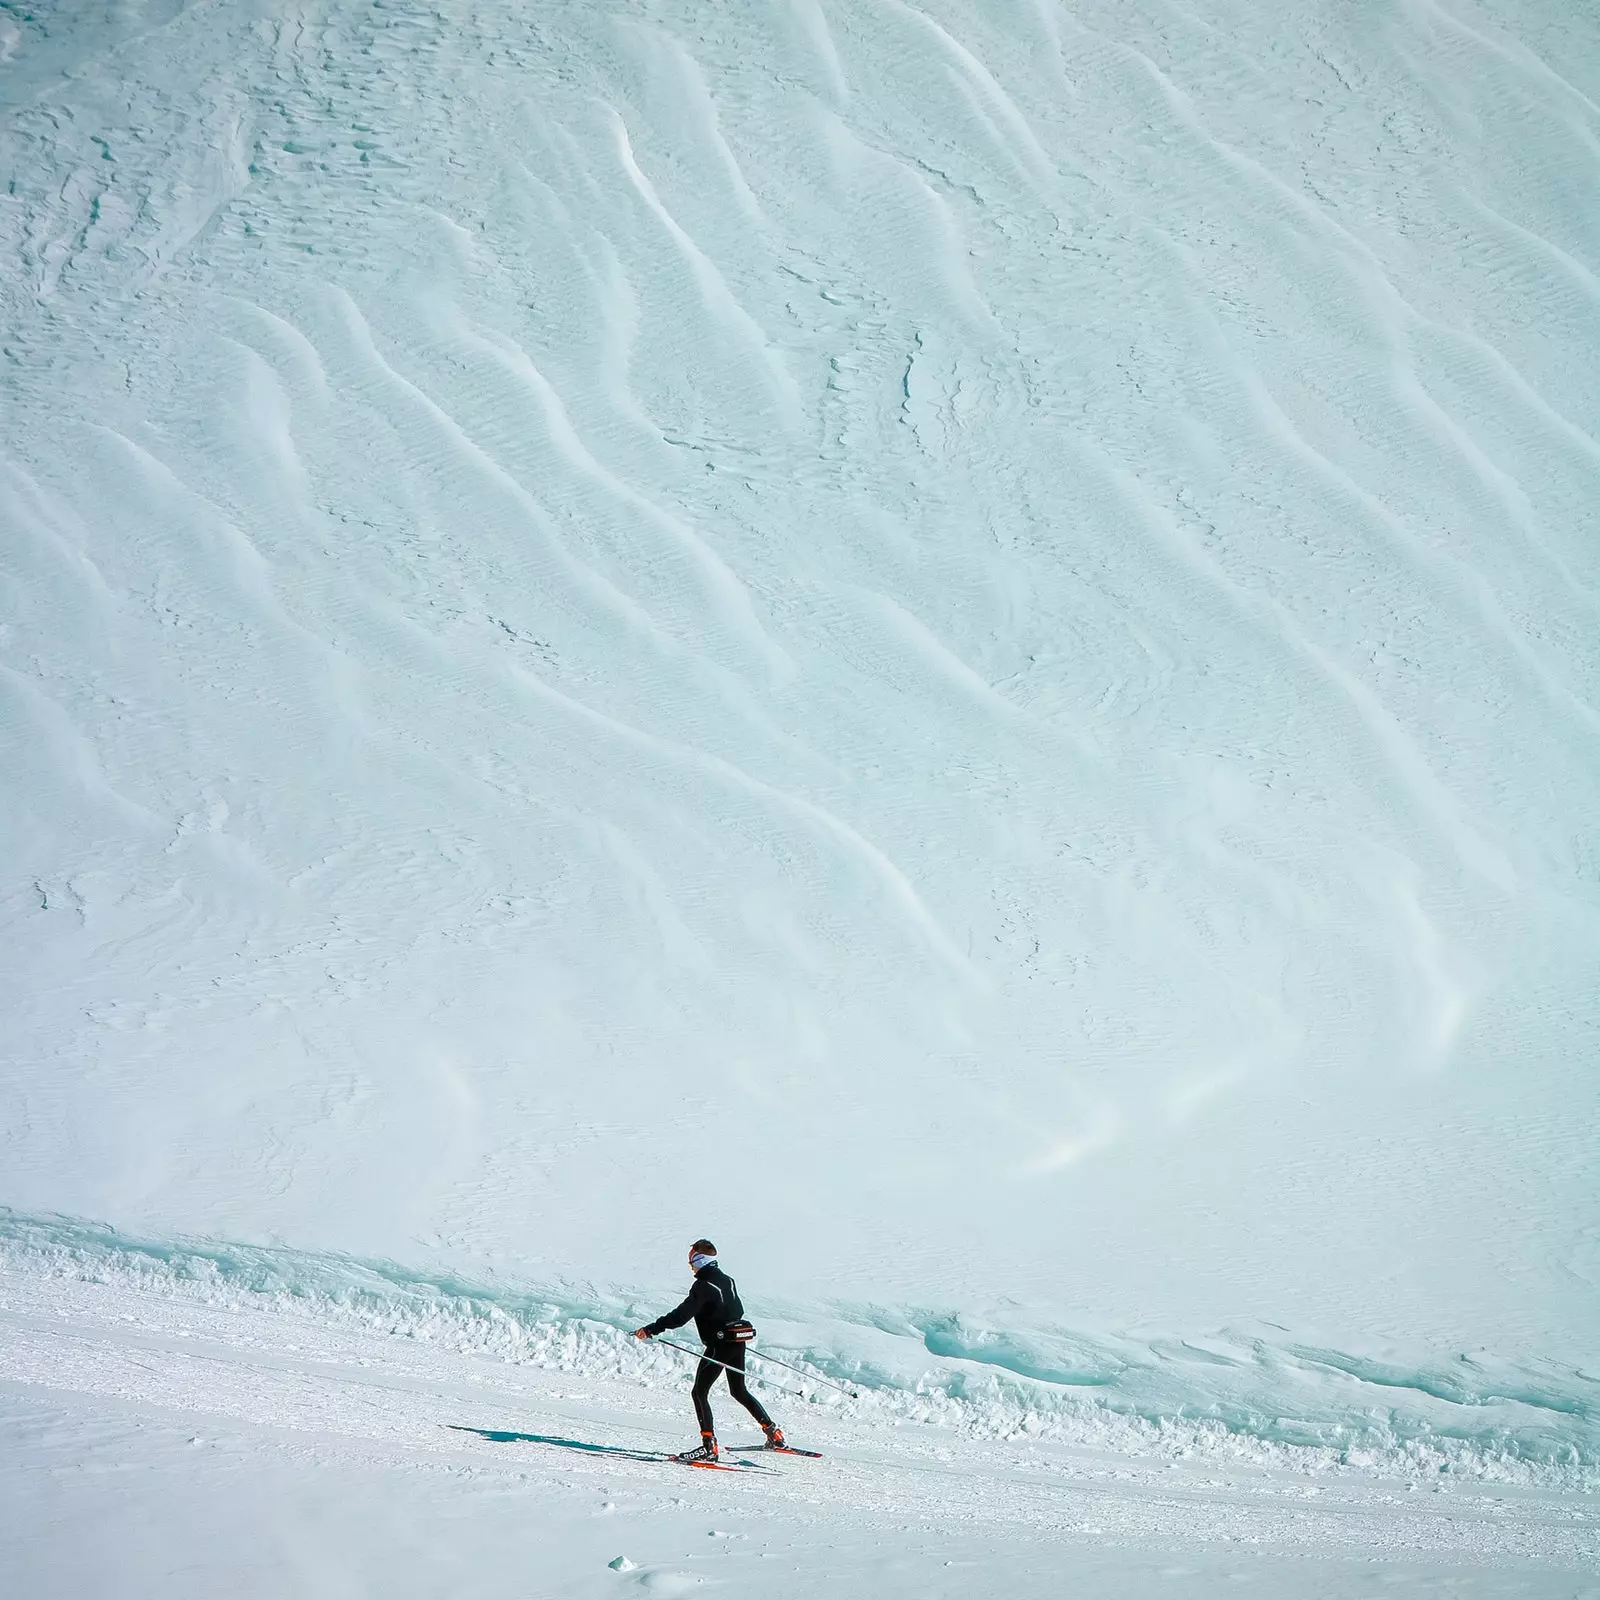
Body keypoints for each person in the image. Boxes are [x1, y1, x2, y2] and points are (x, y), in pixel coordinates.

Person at [635, 1239, 785, 1461]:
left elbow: (680, 1316)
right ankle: (774, 1434)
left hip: (719, 1345)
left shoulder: (703, 1286)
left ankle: (708, 1447)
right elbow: (738, 1309)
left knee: (699, 1392)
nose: (691, 1267)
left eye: (691, 1262)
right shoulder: (727, 1280)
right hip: (737, 1341)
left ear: (700, 1260)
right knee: (739, 1391)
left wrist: (651, 1329)